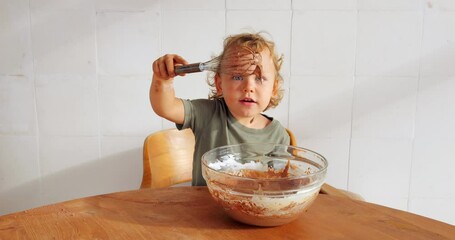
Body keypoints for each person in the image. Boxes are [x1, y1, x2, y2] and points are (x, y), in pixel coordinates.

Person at [150, 32, 290, 186]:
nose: (248, 87)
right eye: (237, 77)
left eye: (259, 78)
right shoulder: (208, 114)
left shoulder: (278, 136)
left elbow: (277, 186)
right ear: (219, 83)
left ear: (274, 88)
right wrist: (162, 80)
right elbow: (166, 107)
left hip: (253, 208)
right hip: (204, 206)